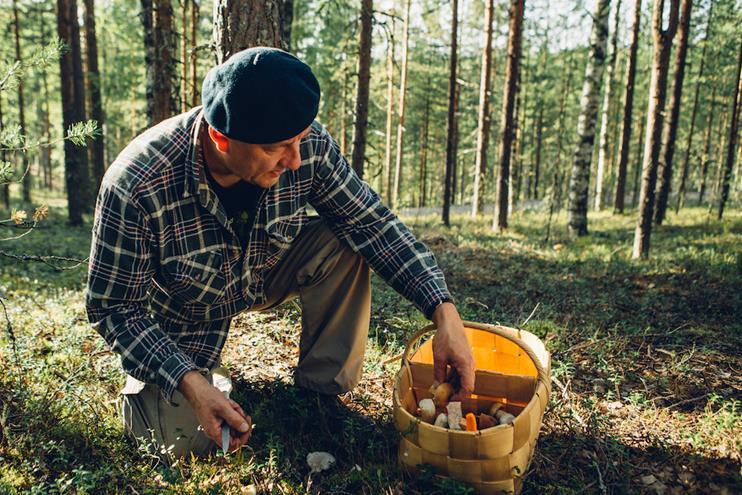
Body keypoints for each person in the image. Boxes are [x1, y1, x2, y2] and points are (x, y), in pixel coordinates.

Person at [86, 47, 475, 462]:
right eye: (278, 148)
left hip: (261, 273)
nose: (296, 159)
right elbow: (113, 308)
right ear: (221, 139)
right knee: (183, 444)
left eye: (301, 140)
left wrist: (444, 313)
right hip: (185, 313)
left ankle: (321, 393)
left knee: (343, 236)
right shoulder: (138, 183)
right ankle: (198, 379)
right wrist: (188, 380)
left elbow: (372, 225)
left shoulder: (305, 147)